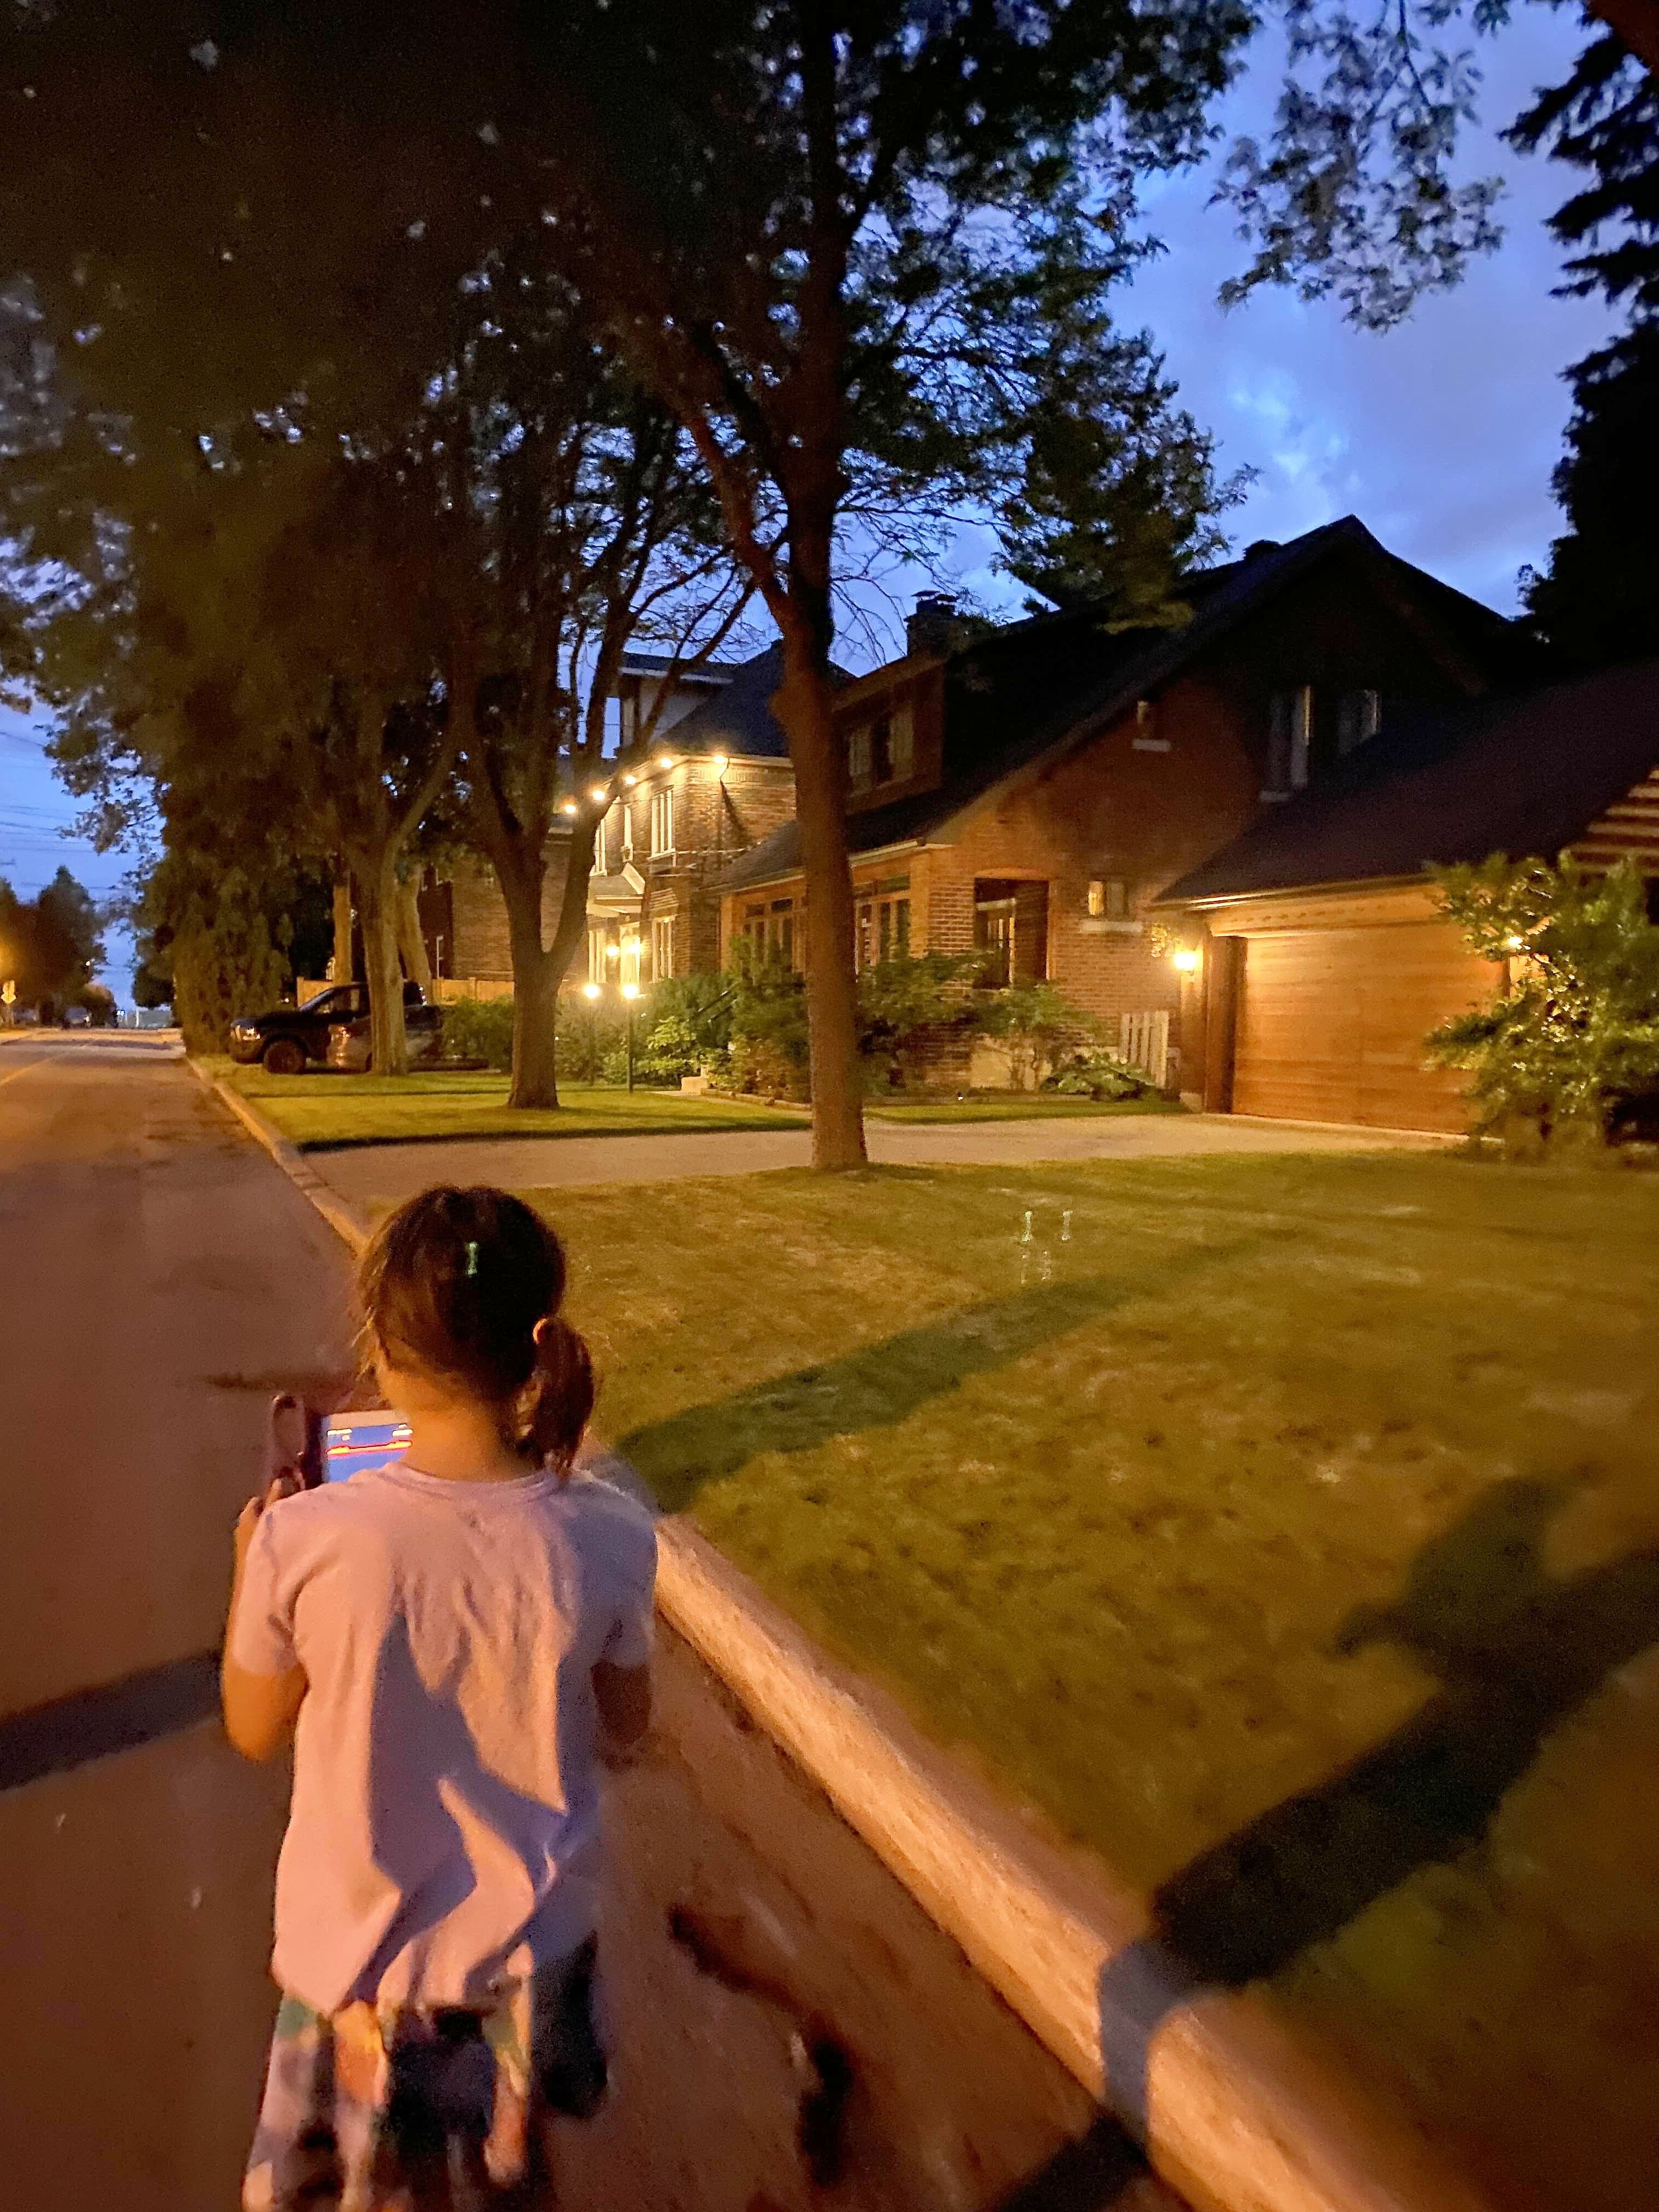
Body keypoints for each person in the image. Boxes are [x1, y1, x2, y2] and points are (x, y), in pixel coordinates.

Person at [222, 1185, 657, 2210]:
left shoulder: (306, 1539)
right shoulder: (610, 1529)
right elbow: (630, 1733)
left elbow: (253, 1729)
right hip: (528, 1967)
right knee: (508, 2183)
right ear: (540, 1345)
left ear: (378, 1346)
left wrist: (250, 1572)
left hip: (359, 1979)